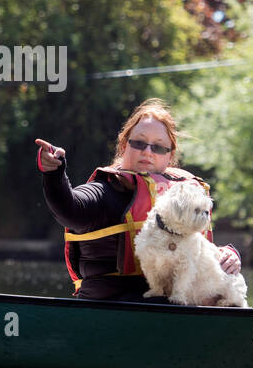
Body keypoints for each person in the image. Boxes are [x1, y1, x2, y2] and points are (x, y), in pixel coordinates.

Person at [36, 99, 241, 301]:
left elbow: (197, 247)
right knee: (166, 303)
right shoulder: (104, 191)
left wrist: (226, 255)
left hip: (171, 304)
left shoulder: (184, 196)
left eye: (159, 147)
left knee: (216, 295)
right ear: (124, 145)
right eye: (139, 143)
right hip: (113, 304)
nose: (147, 151)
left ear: (170, 156)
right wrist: (54, 173)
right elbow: (70, 211)